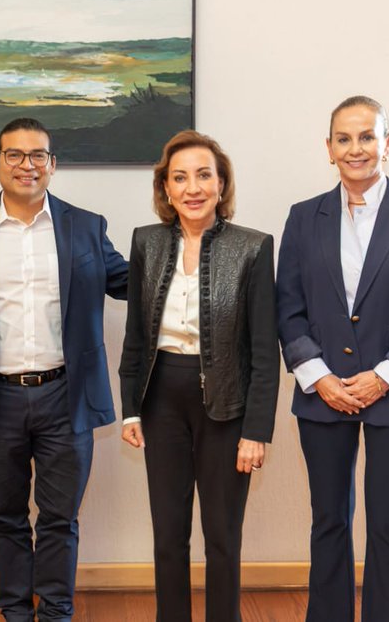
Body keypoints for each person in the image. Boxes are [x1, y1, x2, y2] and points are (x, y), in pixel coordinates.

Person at [275, 96, 389, 621]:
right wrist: (320, 377)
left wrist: (382, 378)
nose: (356, 148)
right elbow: (288, 309)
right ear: (329, 148)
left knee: (388, 526)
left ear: (387, 143)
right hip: (322, 392)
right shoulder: (303, 217)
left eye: (368, 136)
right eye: (344, 138)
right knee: (328, 521)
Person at [0, 117, 128, 622]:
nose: (27, 165)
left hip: (66, 395)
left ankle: (56, 613)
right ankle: (14, 613)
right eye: (15, 155)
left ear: (53, 164)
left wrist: (187, 251)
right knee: (5, 515)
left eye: (38, 155)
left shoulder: (86, 226)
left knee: (59, 518)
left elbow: (128, 282)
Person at [118, 131, 278, 621]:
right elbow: (135, 335)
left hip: (227, 406)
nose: (193, 188)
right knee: (168, 535)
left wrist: (257, 430)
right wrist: (130, 409)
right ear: (166, 188)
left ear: (221, 183)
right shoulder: (146, 242)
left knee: (223, 536)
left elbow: (264, 349)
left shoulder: (253, 247)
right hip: (161, 399)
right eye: (180, 177)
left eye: (204, 175)